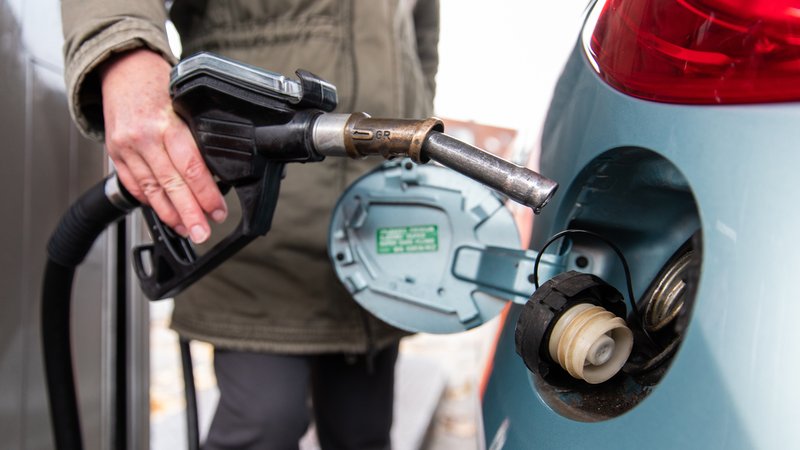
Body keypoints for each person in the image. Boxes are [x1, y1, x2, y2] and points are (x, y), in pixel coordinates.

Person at [61, 1, 440, 448]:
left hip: (377, 228)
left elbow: (422, 42)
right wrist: (122, 49)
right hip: (256, 215)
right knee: (265, 420)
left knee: (363, 429)